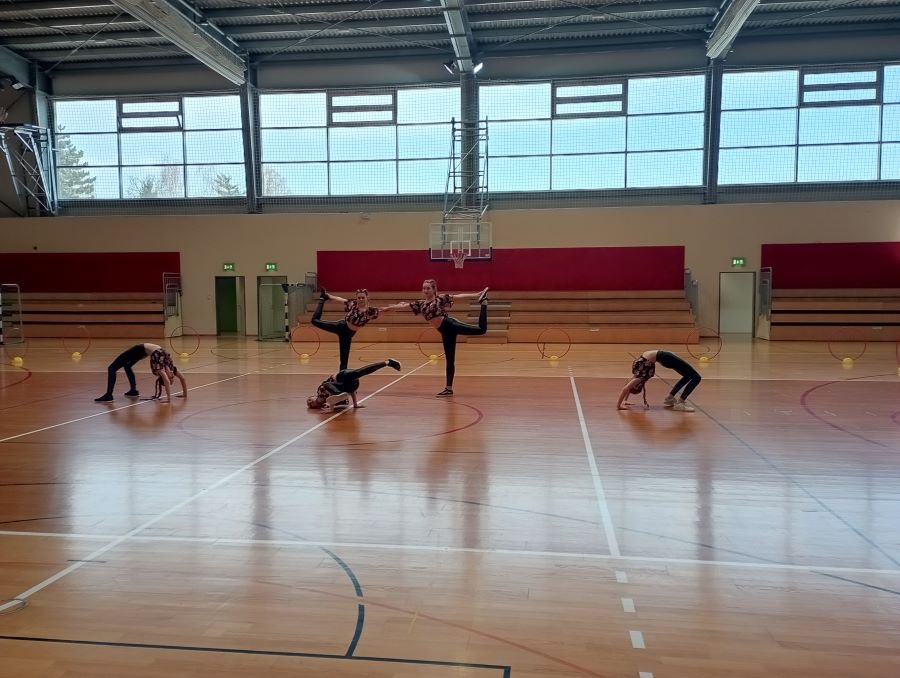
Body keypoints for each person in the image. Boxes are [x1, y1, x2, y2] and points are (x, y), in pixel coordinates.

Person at [404, 280, 489, 397]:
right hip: (445, 332)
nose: (425, 290)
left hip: (451, 325)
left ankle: (483, 303)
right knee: (450, 360)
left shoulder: (440, 299)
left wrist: (476, 295)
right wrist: (386, 309)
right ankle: (448, 389)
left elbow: (458, 297)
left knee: (481, 330)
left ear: (434, 289)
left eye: (428, 288)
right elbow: (403, 305)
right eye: (424, 288)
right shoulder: (421, 304)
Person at [307, 288, 401, 371]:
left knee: (344, 360)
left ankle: (342, 378)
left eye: (362, 297)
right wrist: (329, 296)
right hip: (341, 327)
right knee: (314, 321)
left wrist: (399, 306)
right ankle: (322, 299)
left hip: (348, 335)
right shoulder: (353, 304)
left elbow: (384, 309)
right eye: (359, 297)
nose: (360, 299)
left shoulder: (370, 311)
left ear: (367, 298)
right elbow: (341, 300)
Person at [617, 349, 701, 412]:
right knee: (696, 377)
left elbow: (627, 387)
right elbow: (626, 388)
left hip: (664, 357)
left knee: (687, 376)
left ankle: (670, 398)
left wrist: (625, 401)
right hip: (665, 357)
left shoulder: (636, 375)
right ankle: (680, 403)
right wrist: (619, 405)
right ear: (636, 385)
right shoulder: (638, 377)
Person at [307, 358, 402, 411]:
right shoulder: (331, 402)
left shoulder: (320, 391)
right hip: (350, 386)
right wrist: (355, 404)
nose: (311, 402)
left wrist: (330, 405)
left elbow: (326, 390)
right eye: (311, 404)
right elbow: (350, 393)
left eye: (309, 400)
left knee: (360, 372)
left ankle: (388, 362)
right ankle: (387, 363)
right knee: (357, 378)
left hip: (341, 377)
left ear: (314, 396)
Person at [95, 342, 162, 402]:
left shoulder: (158, 352)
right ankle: (133, 390)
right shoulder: (161, 352)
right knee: (127, 366)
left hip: (139, 349)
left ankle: (109, 395)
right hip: (142, 352)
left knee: (112, 368)